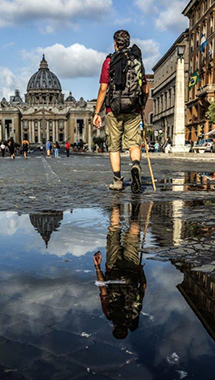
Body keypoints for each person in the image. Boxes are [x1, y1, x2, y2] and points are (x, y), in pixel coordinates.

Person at [93, 30, 148, 193]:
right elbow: (144, 87)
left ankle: (117, 181)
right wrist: (142, 106)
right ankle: (136, 166)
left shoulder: (109, 61)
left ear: (115, 43)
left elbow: (103, 89)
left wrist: (97, 112)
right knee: (134, 143)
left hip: (114, 108)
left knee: (114, 146)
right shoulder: (137, 59)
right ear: (128, 42)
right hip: (133, 107)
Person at [94, 204, 146, 339]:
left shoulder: (134, 314)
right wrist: (97, 267)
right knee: (114, 231)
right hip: (113, 268)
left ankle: (135, 209)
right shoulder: (110, 314)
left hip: (132, 269)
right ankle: (116, 201)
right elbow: (103, 289)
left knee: (134, 235)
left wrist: (140, 271)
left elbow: (143, 288)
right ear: (115, 327)